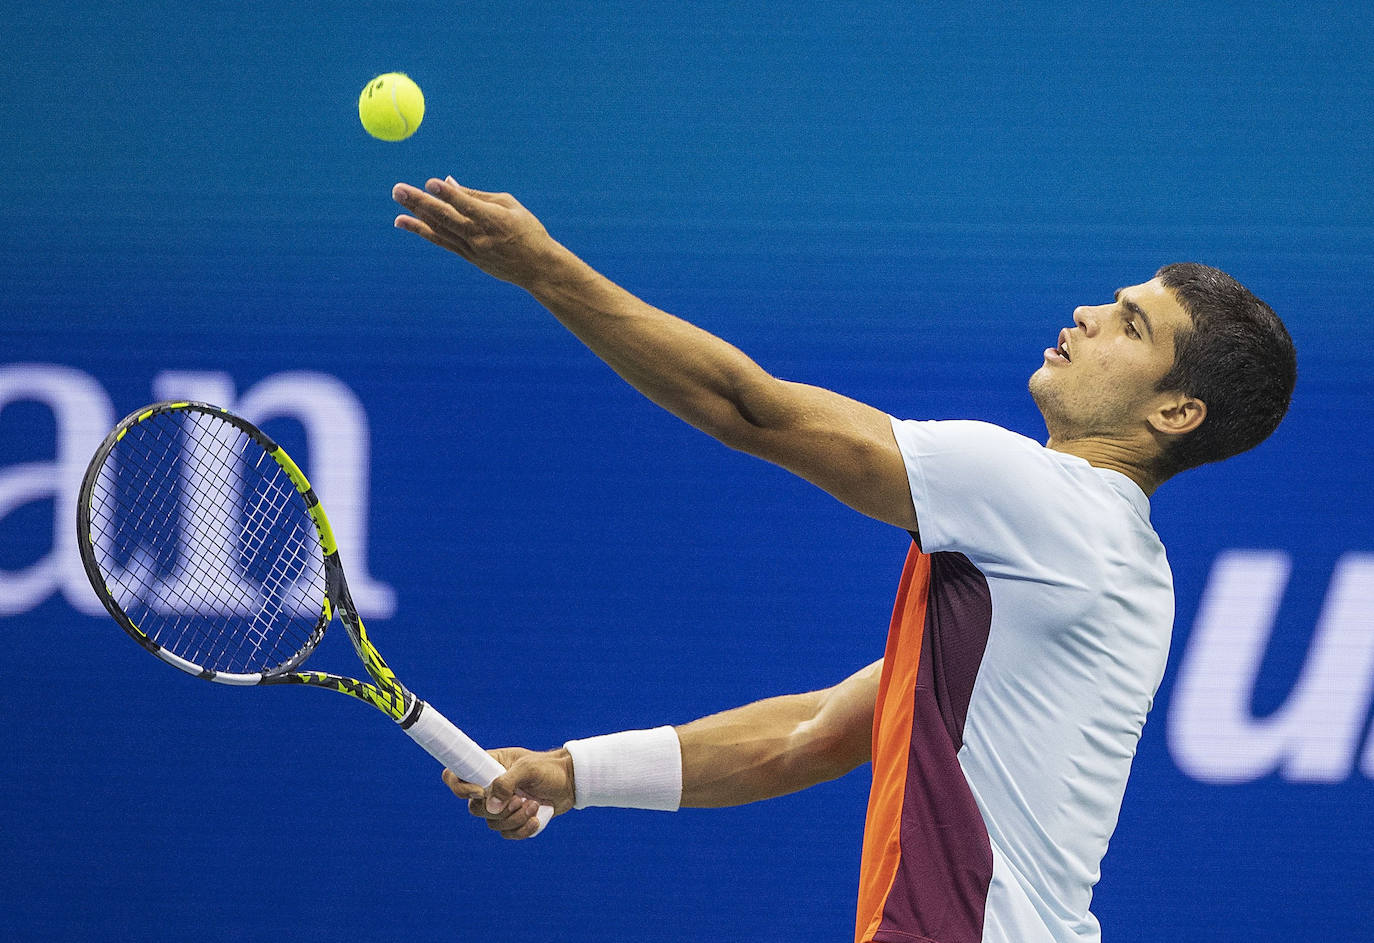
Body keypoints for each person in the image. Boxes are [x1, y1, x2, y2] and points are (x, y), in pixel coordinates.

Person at [391, 177, 1297, 943]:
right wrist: (572, 773)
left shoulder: (1046, 502)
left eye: (1132, 326)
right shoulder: (1107, 563)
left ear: (1175, 413)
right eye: (1114, 302)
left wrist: (546, 270)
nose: (1090, 314)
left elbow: (752, 411)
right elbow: (812, 733)